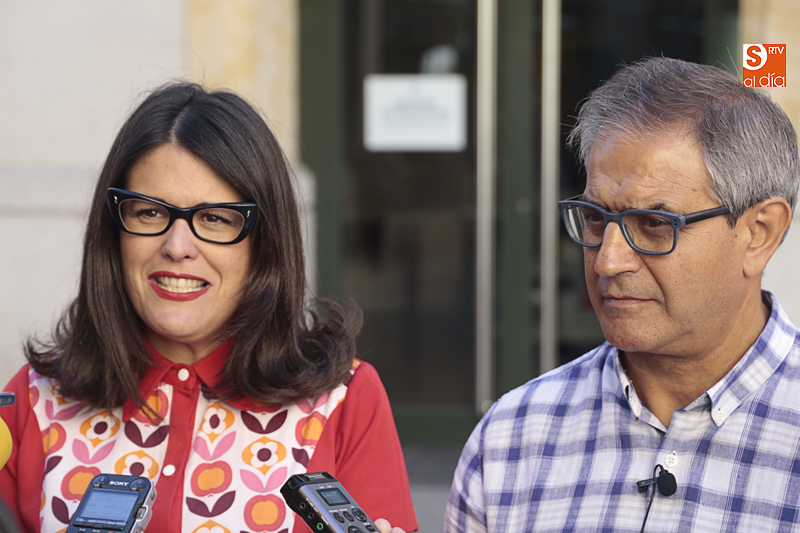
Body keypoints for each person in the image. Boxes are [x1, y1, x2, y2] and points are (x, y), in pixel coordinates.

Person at [0, 83, 418, 533]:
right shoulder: (31, 400)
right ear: (113, 232)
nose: (177, 246)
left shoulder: (345, 399)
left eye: (215, 218)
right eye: (149, 213)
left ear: (265, 243)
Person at [443, 57, 800, 532]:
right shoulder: (512, 438)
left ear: (759, 233)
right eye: (595, 218)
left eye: (654, 223)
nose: (608, 261)